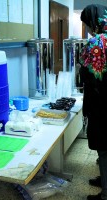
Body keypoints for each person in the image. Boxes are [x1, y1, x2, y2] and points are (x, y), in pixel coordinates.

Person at [79, 4, 107, 200]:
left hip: (101, 105)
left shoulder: (96, 42)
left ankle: (105, 193)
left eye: (87, 23)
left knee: (104, 147)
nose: (87, 29)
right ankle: (104, 179)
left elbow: (89, 76)